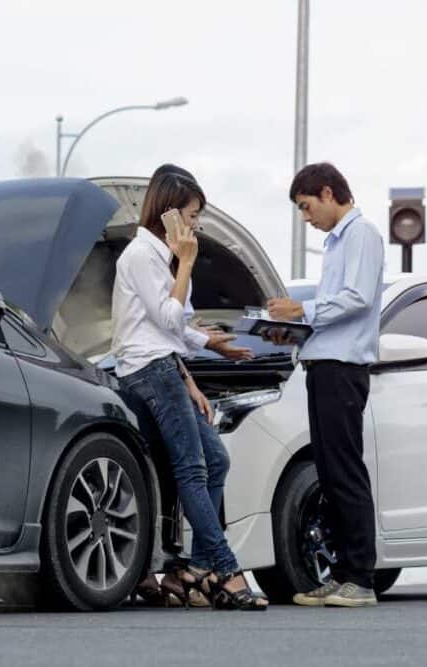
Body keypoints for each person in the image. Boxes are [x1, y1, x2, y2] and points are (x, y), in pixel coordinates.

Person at [112, 168, 267, 611]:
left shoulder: (161, 256)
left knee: (216, 459)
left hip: (165, 367)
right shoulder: (143, 256)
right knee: (193, 470)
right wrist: (188, 261)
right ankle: (226, 570)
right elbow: (166, 319)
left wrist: (207, 348)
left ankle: (197, 567)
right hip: (149, 372)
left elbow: (176, 323)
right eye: (193, 214)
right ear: (170, 211)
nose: (196, 224)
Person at [267, 162, 385, 608]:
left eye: (307, 206)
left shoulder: (362, 234)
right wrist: (292, 328)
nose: (306, 218)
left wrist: (301, 312)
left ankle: (360, 577)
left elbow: (357, 299)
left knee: (346, 472)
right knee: (330, 475)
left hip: (342, 369)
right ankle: (341, 575)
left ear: (329, 192)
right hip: (322, 365)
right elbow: (335, 309)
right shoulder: (337, 242)